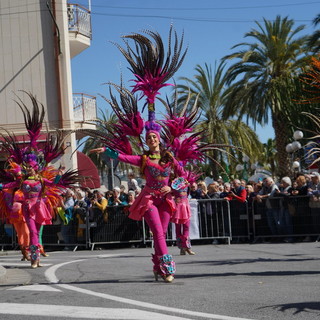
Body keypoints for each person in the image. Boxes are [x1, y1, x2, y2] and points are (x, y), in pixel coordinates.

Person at [90, 129, 185, 283]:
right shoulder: (144, 159)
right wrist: (107, 151)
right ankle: (168, 269)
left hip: (166, 200)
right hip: (149, 200)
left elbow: (183, 176)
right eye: (148, 137)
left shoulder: (169, 158)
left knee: (162, 233)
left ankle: (157, 267)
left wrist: (172, 188)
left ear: (158, 139)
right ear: (146, 142)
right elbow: (125, 158)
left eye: (154, 136)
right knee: (158, 233)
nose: (152, 139)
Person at [171, 175, 195, 256]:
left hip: (185, 206)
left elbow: (188, 193)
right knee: (178, 229)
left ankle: (186, 247)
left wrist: (188, 184)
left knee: (186, 227)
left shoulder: (186, 184)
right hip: (178, 207)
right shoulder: (173, 184)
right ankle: (182, 248)